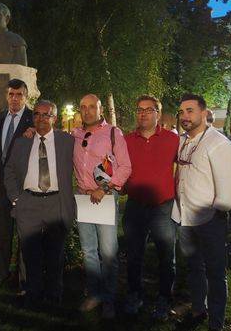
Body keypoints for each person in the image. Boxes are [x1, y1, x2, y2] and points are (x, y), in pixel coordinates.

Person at [173, 94, 231, 331]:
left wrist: (215, 214)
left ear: (204, 113)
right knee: (194, 268)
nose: (184, 116)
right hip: (186, 217)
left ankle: (216, 323)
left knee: (215, 272)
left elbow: (229, 191)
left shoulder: (219, 144)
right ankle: (199, 309)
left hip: (210, 220)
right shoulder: (183, 140)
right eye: (181, 112)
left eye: (190, 111)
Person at [4, 100, 75, 307]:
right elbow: (8, 170)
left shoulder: (67, 141)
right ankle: (32, 294)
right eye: (37, 114)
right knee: (30, 253)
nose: (41, 119)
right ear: (33, 117)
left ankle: (54, 295)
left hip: (56, 203)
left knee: (55, 253)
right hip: (28, 204)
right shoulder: (22, 142)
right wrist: (16, 198)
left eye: (47, 115)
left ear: (55, 118)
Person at [72, 94, 132, 319]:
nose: (87, 111)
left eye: (91, 107)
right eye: (83, 107)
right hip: (84, 197)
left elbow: (125, 167)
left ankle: (109, 299)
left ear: (100, 109)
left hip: (105, 197)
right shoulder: (76, 134)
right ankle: (95, 294)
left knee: (108, 253)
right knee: (88, 251)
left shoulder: (114, 133)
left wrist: (105, 189)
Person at [123, 95, 179, 320]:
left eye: (149, 109)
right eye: (139, 109)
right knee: (134, 256)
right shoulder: (126, 140)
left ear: (158, 113)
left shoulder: (172, 139)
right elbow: (112, 165)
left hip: (162, 207)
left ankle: (164, 299)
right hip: (135, 206)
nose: (143, 113)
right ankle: (135, 295)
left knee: (166, 257)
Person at [0, 79, 33, 288]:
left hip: (23, 186)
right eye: (11, 94)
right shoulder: (0, 118)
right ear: (7, 96)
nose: (15, 98)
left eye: (19, 95)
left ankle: (22, 278)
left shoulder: (34, 120)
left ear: (26, 96)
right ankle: (2, 275)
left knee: (24, 233)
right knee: (1, 232)